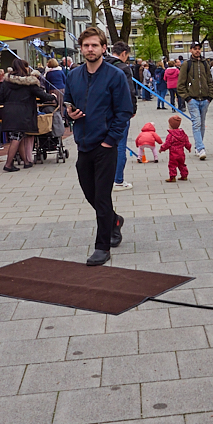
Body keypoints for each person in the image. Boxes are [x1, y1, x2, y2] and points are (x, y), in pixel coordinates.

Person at [63, 27, 134, 266]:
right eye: (86, 46)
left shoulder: (115, 75)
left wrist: (110, 140)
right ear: (81, 49)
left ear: (104, 48)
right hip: (83, 143)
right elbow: (68, 102)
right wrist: (70, 113)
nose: (90, 49)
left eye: (94, 45)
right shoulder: (74, 75)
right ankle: (115, 220)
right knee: (90, 193)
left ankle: (102, 247)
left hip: (105, 144)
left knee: (102, 196)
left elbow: (124, 111)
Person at [0, 59, 54, 173]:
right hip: (23, 112)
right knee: (16, 137)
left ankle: (26, 162)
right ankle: (8, 164)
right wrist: (53, 96)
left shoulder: (6, 82)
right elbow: (42, 95)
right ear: (24, 68)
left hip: (9, 111)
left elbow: (0, 99)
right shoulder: (29, 82)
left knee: (19, 136)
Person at [177, 42, 213, 160]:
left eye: (199, 49)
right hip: (193, 99)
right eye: (195, 49)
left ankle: (198, 146)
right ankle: (201, 148)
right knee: (196, 123)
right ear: (191, 50)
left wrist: (210, 96)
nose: (197, 51)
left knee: (202, 123)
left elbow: (209, 80)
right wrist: (187, 98)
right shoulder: (186, 64)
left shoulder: (205, 63)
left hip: (205, 99)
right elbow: (180, 84)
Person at [110, 43, 138, 191]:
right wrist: (133, 109)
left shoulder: (101, 65)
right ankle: (118, 180)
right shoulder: (123, 68)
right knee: (120, 146)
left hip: (103, 112)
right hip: (119, 112)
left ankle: (104, 179)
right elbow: (129, 91)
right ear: (124, 53)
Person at [160, 115, 191, 182]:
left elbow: (167, 144)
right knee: (182, 164)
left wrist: (162, 149)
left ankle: (173, 177)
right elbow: (186, 142)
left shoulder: (170, 135)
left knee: (172, 165)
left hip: (173, 154)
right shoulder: (182, 134)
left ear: (171, 125)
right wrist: (188, 147)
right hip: (181, 153)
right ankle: (184, 175)